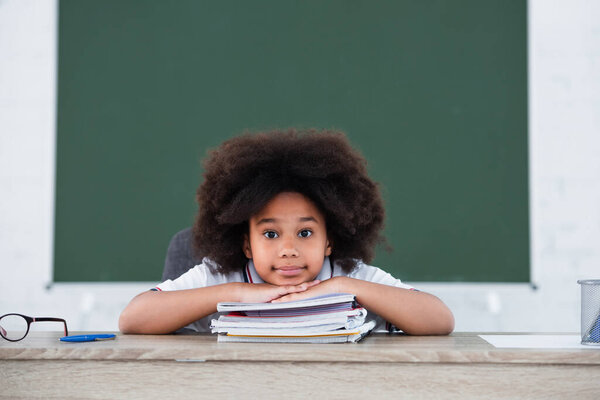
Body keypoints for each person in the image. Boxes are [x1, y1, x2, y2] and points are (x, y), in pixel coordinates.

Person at [119, 129, 454, 335]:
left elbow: (439, 320)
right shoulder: (221, 276)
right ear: (246, 244)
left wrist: (342, 286)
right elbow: (133, 319)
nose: (289, 249)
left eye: (305, 233)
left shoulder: (348, 275)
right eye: (270, 234)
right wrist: (237, 292)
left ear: (329, 241)